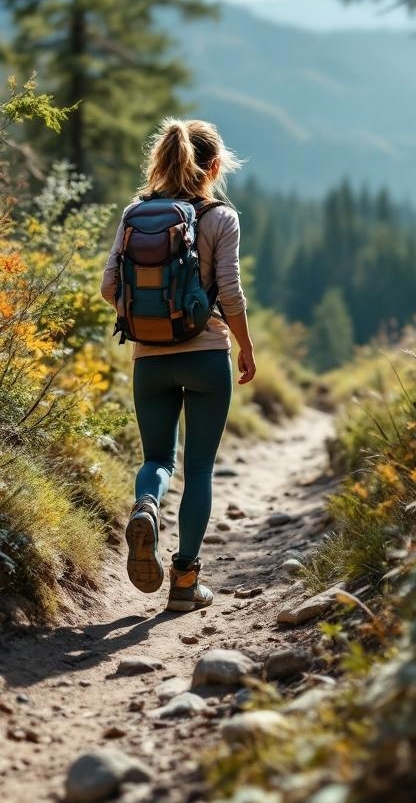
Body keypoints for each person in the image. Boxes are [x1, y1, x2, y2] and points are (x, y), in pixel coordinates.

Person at [100, 118, 256, 612]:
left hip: (149, 359)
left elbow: (109, 288)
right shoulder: (220, 218)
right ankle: (185, 582)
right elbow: (229, 291)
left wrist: (148, 319)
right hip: (207, 356)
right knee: (201, 467)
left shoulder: (135, 214)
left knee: (158, 461)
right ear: (213, 167)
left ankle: (146, 506)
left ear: (163, 161)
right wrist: (246, 346)